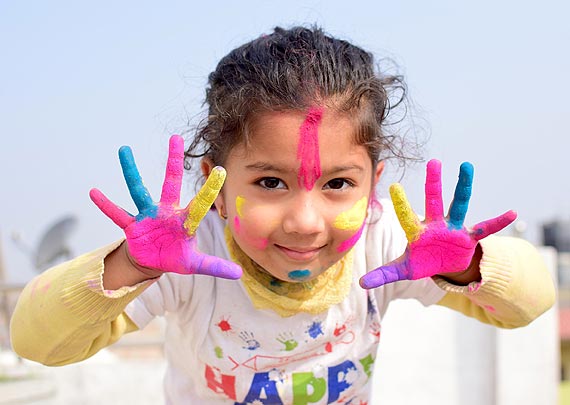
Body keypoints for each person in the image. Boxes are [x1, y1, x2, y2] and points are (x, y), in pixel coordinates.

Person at [10, 26, 555, 404]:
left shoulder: (387, 243)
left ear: (374, 185)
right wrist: (131, 264)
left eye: (339, 184)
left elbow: (532, 302)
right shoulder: (190, 256)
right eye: (270, 182)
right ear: (215, 187)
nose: (305, 221)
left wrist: (465, 267)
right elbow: (37, 343)